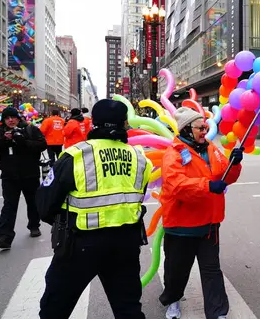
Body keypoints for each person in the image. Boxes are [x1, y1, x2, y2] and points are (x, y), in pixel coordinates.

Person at [35, 99, 153, 318]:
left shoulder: (76, 155)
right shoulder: (140, 157)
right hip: (126, 242)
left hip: (80, 243)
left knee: (55, 308)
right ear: (125, 124)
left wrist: (63, 218)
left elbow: (44, 204)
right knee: (128, 309)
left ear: (93, 123)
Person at [159, 107, 243, 319]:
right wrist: (207, 186)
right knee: (176, 271)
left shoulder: (211, 149)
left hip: (209, 224)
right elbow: (176, 185)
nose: (205, 130)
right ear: (187, 129)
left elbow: (226, 176)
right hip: (180, 227)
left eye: (206, 126)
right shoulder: (174, 154)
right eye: (200, 127)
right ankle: (173, 300)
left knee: (211, 271)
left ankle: (218, 313)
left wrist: (235, 163)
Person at [0, 107, 47, 249]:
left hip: (30, 174)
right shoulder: (0, 132)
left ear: (18, 118)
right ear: (3, 120)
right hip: (9, 176)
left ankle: (34, 225)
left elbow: (42, 145)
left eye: (13, 117)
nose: (10, 120)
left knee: (32, 202)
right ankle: (5, 237)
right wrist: (4, 140)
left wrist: (23, 141)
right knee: (9, 206)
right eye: (7, 118)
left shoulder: (30, 130)